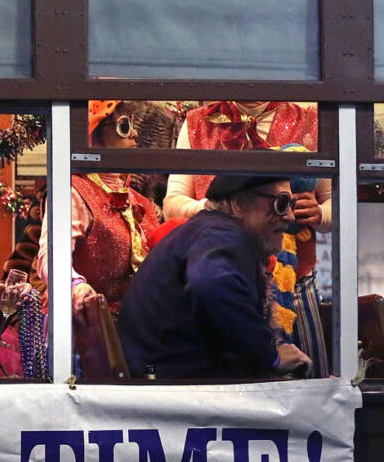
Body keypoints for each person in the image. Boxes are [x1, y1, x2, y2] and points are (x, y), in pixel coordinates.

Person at [162, 102, 330, 375]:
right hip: (228, 279)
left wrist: (319, 213)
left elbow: (338, 204)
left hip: (296, 282)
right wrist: (220, 208)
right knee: (238, 383)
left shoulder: (310, 119)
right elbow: (172, 204)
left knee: (311, 378)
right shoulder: (196, 122)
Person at [117, 174, 312, 380]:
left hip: (165, 375)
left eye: (291, 204)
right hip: (176, 388)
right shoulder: (222, 235)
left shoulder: (209, 231)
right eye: (280, 203)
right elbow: (210, 284)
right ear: (238, 204)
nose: (290, 216)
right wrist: (268, 356)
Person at [36, 101, 160, 318]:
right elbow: (50, 258)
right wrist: (77, 287)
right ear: (94, 133)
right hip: (83, 328)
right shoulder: (73, 191)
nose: (135, 133)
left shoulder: (141, 203)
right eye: (124, 126)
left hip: (133, 329)